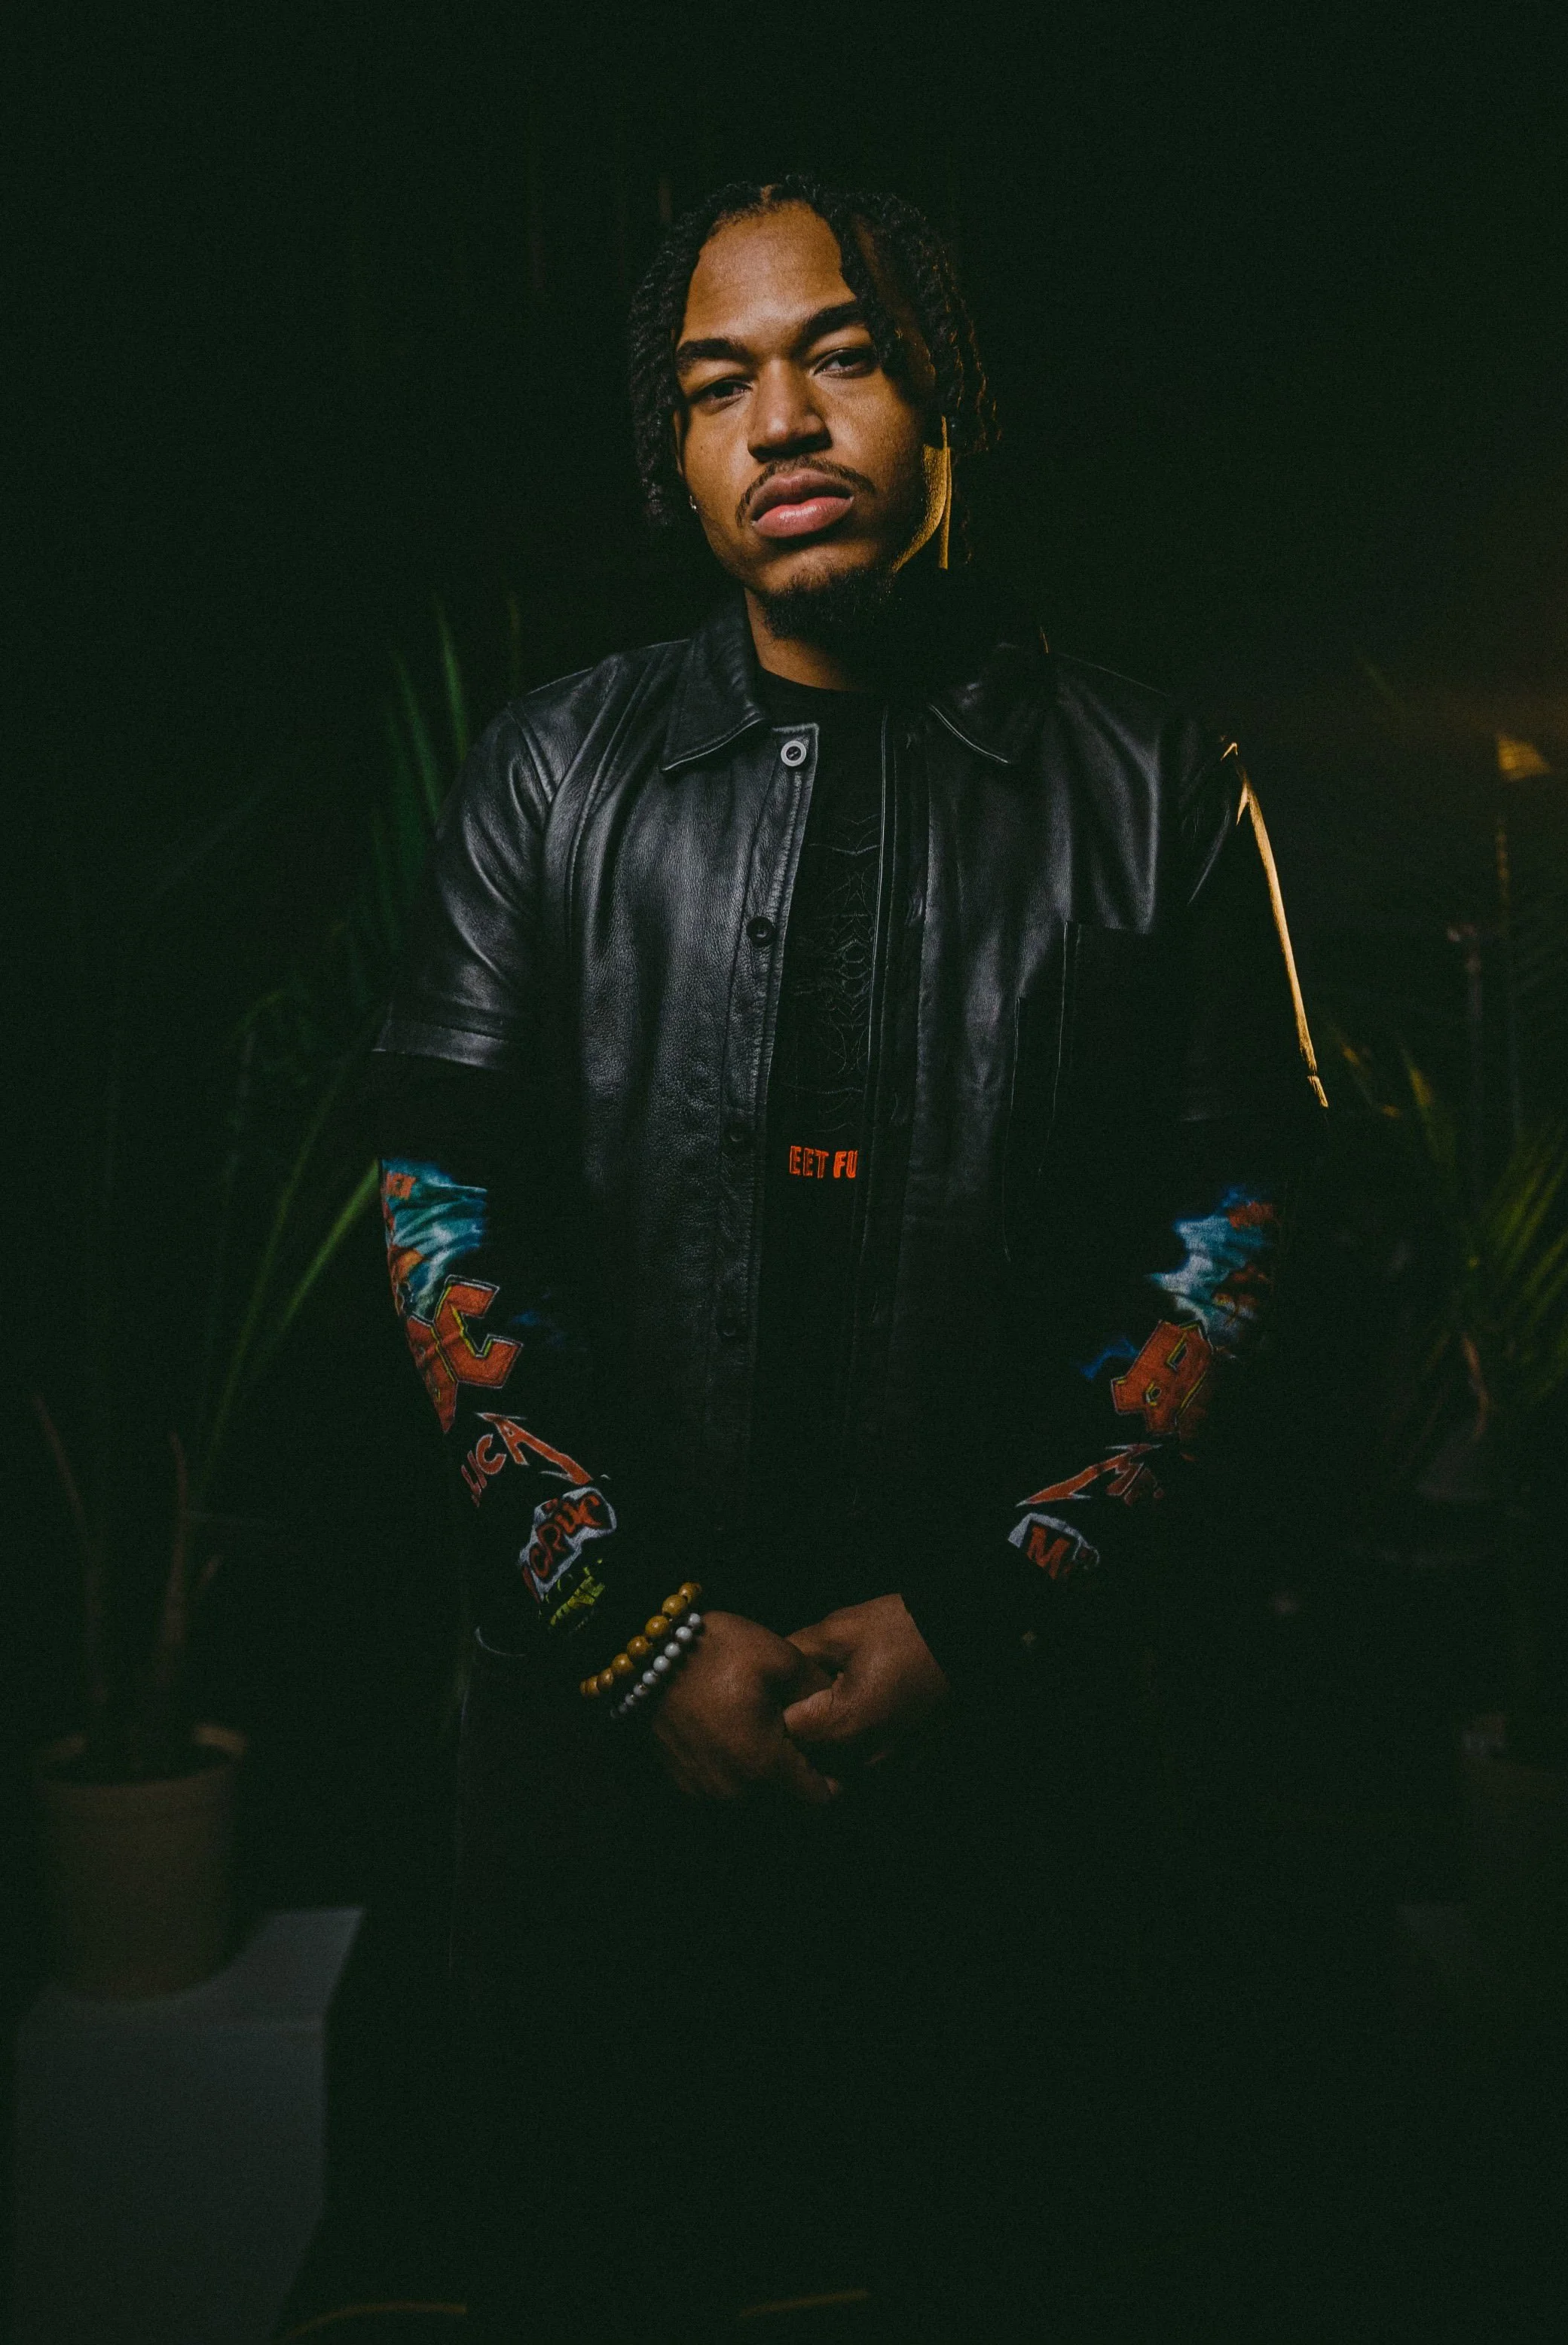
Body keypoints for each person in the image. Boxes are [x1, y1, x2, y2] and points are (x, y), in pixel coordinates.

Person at [373, 175, 1325, 2343]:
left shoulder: (1161, 780)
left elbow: (1236, 1247)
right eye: (720, 385)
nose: (781, 419)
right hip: (601, 1797)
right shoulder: (547, 773)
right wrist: (630, 1635)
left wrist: (987, 1615)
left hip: (1017, 1807)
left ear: (946, 393)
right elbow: (440, 1224)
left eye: (846, 352)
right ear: (680, 458)